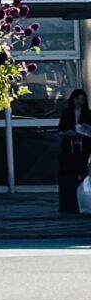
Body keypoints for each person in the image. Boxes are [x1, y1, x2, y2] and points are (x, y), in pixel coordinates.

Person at [60, 88, 90, 217]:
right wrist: (69, 134)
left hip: (85, 148)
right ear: (73, 99)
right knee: (68, 177)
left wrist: (84, 131)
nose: (80, 101)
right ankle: (68, 205)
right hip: (70, 149)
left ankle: (83, 204)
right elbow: (61, 130)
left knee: (84, 176)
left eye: (82, 99)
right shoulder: (66, 113)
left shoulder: (88, 113)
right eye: (78, 99)